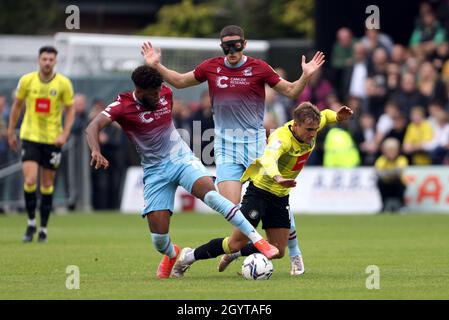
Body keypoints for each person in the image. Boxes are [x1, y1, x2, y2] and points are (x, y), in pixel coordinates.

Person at [141, 25, 325, 275]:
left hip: (256, 146)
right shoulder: (211, 67)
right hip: (226, 148)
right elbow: (180, 81)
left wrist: (305, 76)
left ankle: (294, 253)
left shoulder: (259, 68)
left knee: (275, 197)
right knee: (231, 207)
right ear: (221, 47)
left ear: (244, 44)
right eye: (227, 46)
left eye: (236, 45)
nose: (232, 51)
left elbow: (292, 90)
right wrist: (156, 66)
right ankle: (239, 247)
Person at [84, 65, 278, 279]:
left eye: (160, 90)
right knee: (158, 240)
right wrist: (95, 150)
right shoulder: (122, 106)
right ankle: (172, 253)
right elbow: (92, 127)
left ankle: (257, 239)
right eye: (153, 93)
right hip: (155, 171)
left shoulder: (166, 92)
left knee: (212, 195)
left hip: (181, 159)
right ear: (139, 90)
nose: (159, 96)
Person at [170, 102, 354, 278]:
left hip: (280, 196)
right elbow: (268, 159)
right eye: (309, 130)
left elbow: (326, 116)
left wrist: (337, 116)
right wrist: (277, 177)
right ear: (296, 125)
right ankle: (190, 256)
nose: (313, 134)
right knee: (234, 243)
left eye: (315, 130)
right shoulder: (281, 138)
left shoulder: (312, 123)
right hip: (259, 192)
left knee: (278, 250)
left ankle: (237, 254)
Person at [7, 46, 75, 243]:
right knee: (29, 180)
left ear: (55, 61)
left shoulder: (63, 84)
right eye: (44, 59)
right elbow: (17, 106)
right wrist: (11, 131)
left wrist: (65, 133)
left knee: (47, 184)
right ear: (38, 60)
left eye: (51, 59)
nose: (47, 62)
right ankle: (30, 223)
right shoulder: (27, 80)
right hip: (30, 136)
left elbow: (70, 110)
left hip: (53, 139)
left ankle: (43, 228)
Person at [375, 138, 409, 212]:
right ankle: (383, 206)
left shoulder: (401, 159)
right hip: (386, 185)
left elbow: (399, 171)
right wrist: (391, 173)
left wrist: (386, 173)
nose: (391, 153)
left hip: (397, 185)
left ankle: (402, 206)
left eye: (393, 150)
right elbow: (378, 173)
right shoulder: (381, 160)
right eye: (389, 150)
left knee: (400, 182)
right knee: (379, 182)